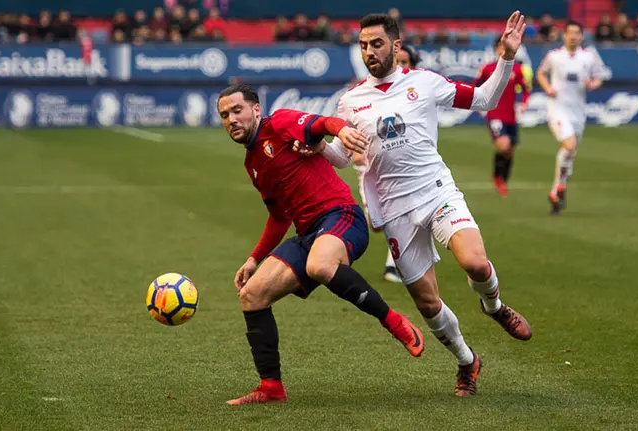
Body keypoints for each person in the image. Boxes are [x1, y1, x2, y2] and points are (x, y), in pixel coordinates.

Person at [299, 12, 532, 397]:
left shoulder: (425, 82)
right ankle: (467, 361)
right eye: (363, 45)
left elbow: (484, 99)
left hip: (436, 192)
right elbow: (341, 156)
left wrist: (506, 57)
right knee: (427, 303)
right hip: (395, 211)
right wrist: (319, 146)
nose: (369, 52)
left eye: (377, 44)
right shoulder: (351, 102)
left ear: (395, 45)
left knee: (475, 263)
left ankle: (494, 307)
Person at [217, 84, 425, 405]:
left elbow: (322, 123)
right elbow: (279, 218)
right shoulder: (253, 164)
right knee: (252, 296)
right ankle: (271, 388)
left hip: (342, 216)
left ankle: (393, 321)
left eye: (237, 110)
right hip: (308, 234)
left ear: (256, 110)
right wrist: (254, 258)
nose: (231, 119)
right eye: (224, 115)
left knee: (320, 265)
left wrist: (342, 131)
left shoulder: (280, 124)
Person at [352, 44, 420, 284]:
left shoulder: (418, 93)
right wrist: (356, 151)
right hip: (371, 167)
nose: (400, 66)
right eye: (397, 61)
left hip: (405, 168)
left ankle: (395, 265)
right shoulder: (369, 92)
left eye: (405, 62)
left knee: (408, 213)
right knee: (376, 223)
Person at [536, 21, 603, 215]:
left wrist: (593, 84)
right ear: (564, 35)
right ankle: (559, 187)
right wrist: (548, 87)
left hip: (578, 111)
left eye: (577, 33)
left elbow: (598, 77)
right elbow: (541, 73)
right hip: (558, 109)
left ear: (582, 36)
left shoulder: (589, 57)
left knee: (570, 153)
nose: (573, 36)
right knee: (569, 144)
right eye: (570, 33)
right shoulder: (554, 56)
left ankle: (557, 191)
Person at [474, 36, 531, 197]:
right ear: (496, 49)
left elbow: (525, 88)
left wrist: (524, 102)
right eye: (501, 46)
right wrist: (476, 103)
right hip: (495, 115)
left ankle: (503, 179)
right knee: (503, 146)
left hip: (511, 116)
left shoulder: (517, 69)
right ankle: (497, 176)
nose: (503, 49)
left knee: (510, 151)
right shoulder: (488, 68)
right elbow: (476, 86)